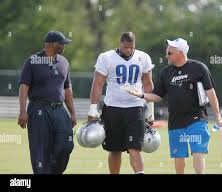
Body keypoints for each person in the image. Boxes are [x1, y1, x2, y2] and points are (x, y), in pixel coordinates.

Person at [125, 38, 222, 174]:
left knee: (198, 151)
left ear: (180, 52)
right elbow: (157, 96)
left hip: (197, 119)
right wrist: (141, 95)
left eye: (169, 53)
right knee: (179, 158)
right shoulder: (166, 72)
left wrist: (217, 115)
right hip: (176, 121)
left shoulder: (199, 68)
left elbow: (211, 93)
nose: (166, 56)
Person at [87, 32, 155, 174]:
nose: (128, 50)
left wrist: (150, 109)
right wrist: (93, 108)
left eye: (131, 47)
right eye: (125, 47)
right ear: (120, 44)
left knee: (135, 147)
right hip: (113, 108)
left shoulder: (143, 57)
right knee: (115, 148)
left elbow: (148, 84)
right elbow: (98, 83)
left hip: (135, 108)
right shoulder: (106, 57)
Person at [18, 31, 76, 174]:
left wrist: (72, 113)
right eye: (61, 43)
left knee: (66, 144)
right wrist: (22, 111)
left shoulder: (64, 62)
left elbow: (67, 89)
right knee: (40, 150)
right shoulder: (33, 61)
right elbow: (24, 86)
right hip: (39, 109)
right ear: (50, 44)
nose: (64, 46)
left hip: (59, 109)